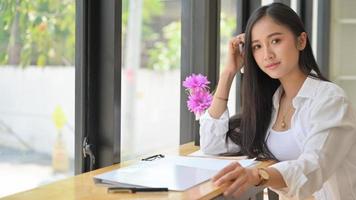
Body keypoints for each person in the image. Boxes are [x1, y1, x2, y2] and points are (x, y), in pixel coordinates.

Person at [199, 3, 356, 200]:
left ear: (301, 41)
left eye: (275, 41)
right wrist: (228, 72)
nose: (267, 55)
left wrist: (258, 175)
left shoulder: (330, 100)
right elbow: (212, 144)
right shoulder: (271, 103)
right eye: (257, 46)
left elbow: (313, 167)